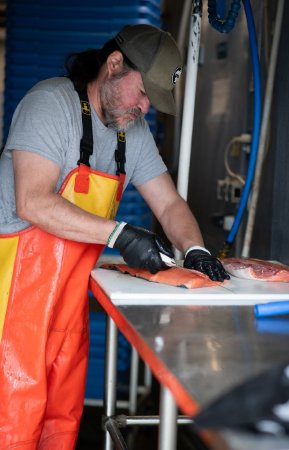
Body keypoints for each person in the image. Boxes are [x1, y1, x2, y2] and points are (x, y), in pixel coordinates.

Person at [0, 24, 229, 449]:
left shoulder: (132, 133)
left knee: (59, 426)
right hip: (9, 305)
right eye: (142, 93)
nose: (145, 108)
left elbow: (169, 205)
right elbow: (32, 201)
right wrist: (121, 234)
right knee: (10, 427)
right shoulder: (50, 104)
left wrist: (194, 248)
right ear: (114, 63)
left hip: (66, 313)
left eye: (152, 101)